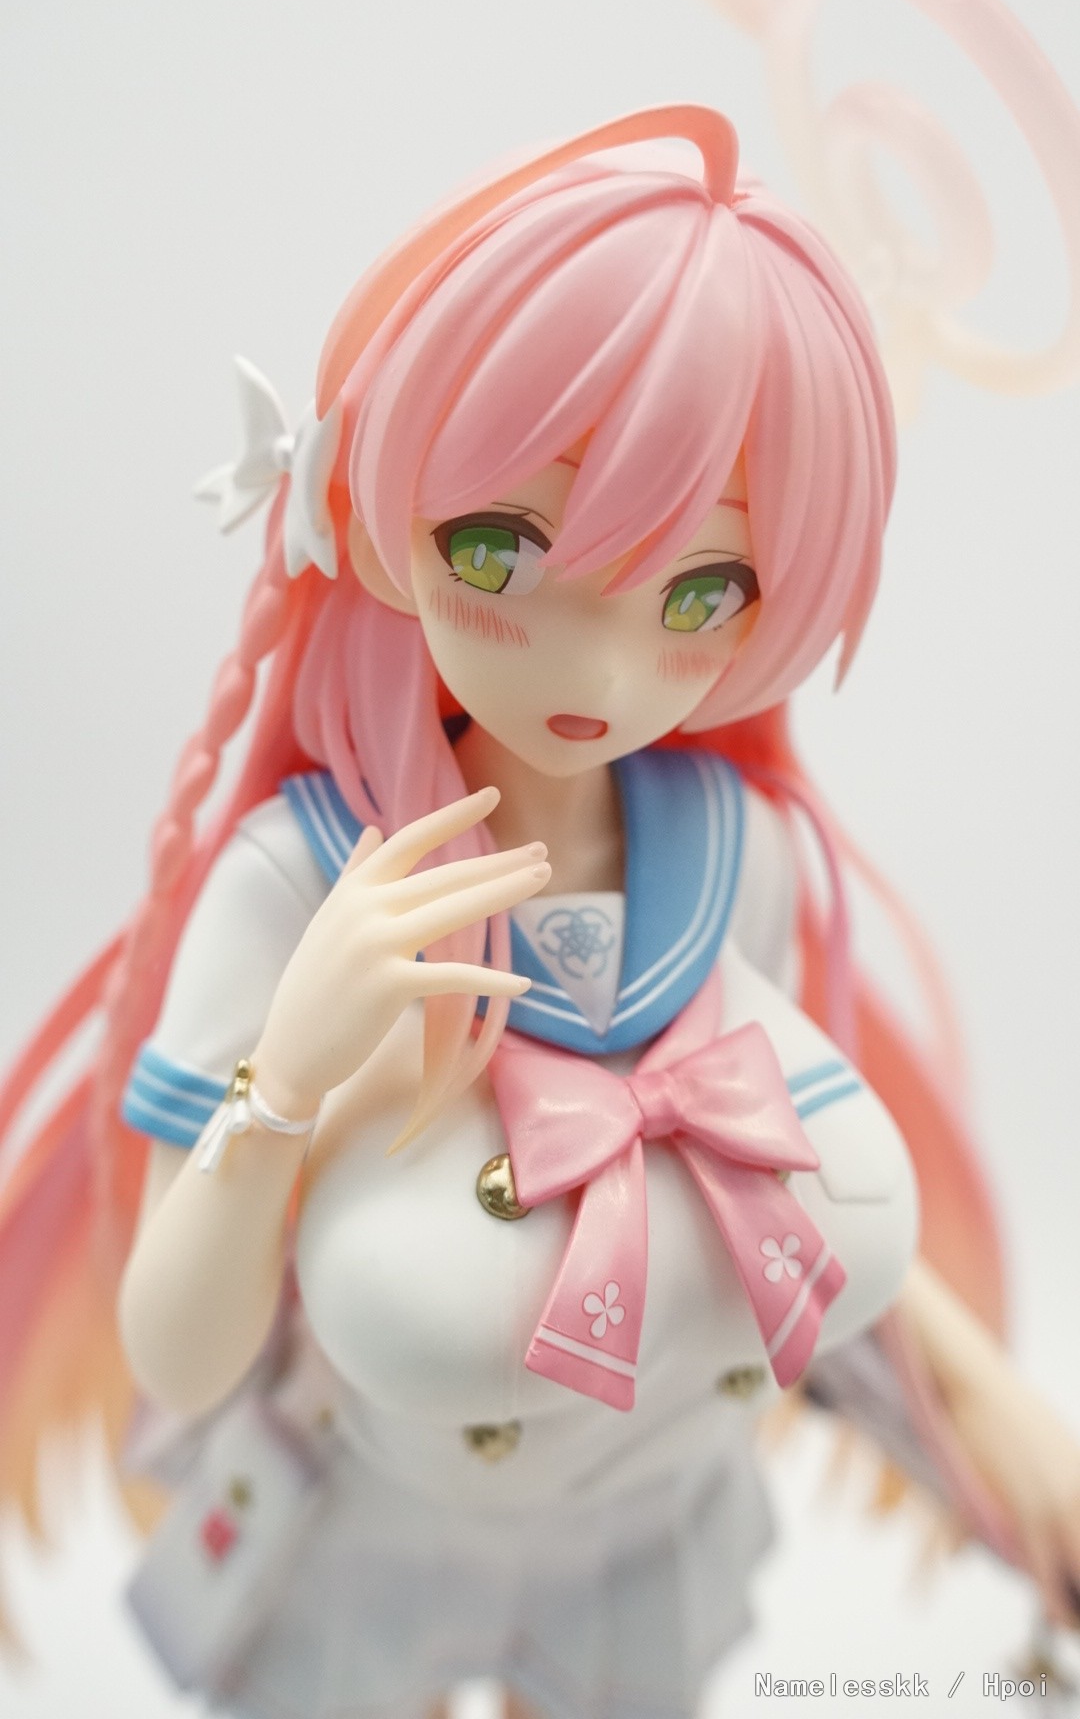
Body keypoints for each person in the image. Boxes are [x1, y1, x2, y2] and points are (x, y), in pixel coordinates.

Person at [1, 103, 1078, 1719]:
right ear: (373, 520)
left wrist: (987, 1407)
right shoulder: (302, 889)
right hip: (375, 1542)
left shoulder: (737, 860)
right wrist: (286, 1082)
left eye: (699, 593)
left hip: (646, 1535)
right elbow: (178, 1352)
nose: (600, 667)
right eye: (502, 552)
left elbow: (770, 1176)